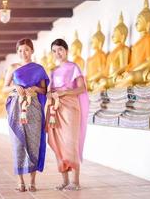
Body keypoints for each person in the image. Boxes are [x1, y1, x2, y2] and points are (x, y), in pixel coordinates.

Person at [3, 38, 49, 192]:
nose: (23, 53)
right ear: (17, 52)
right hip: (17, 108)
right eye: (20, 50)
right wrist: (15, 87)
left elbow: (44, 91)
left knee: (33, 143)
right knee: (18, 144)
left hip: (34, 109)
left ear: (32, 50)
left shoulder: (39, 69)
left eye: (26, 49)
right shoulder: (13, 67)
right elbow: (4, 88)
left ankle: (33, 181)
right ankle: (20, 181)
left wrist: (35, 88)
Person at [46, 38, 89, 191]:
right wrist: (50, 95)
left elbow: (81, 88)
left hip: (70, 107)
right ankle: (64, 180)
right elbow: (49, 91)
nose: (57, 53)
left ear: (66, 51)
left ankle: (75, 181)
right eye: (54, 51)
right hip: (55, 109)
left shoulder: (73, 67)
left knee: (71, 142)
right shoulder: (52, 71)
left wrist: (64, 92)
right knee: (58, 143)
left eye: (60, 50)